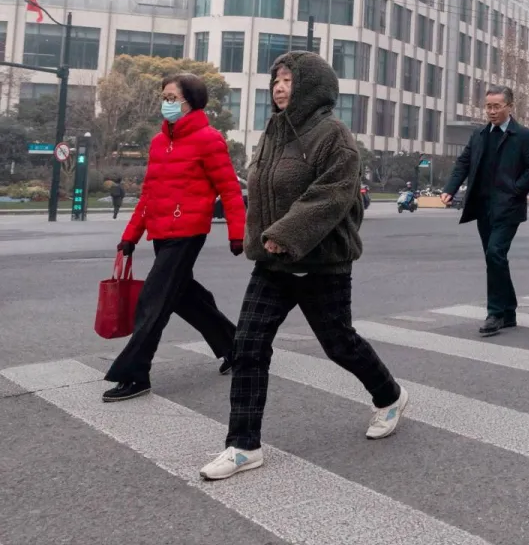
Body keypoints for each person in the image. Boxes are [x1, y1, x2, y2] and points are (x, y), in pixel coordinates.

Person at [199, 52, 407, 480]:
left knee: (340, 344)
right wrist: (255, 236)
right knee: (248, 347)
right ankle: (243, 445)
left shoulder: (335, 136)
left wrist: (286, 233)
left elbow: (330, 195)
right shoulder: (272, 132)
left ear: (311, 85)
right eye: (276, 78)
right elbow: (261, 189)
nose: (279, 86)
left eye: (289, 79)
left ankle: (389, 396)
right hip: (272, 265)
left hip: (323, 263)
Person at [102, 73, 244, 402]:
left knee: (153, 300)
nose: (165, 104)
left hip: (188, 232)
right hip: (162, 232)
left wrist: (237, 234)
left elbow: (229, 189)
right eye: (163, 98)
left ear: (189, 101)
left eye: (171, 98)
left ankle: (134, 373)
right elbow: (150, 194)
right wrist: (130, 236)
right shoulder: (158, 142)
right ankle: (236, 347)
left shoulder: (209, 139)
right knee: (183, 296)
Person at [441, 87, 529, 335]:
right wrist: (450, 189)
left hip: (508, 207)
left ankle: (495, 313)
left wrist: (515, 190)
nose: (492, 111)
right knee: (493, 256)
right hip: (483, 206)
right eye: (488, 106)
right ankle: (509, 311)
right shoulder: (479, 135)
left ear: (509, 106)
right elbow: (463, 163)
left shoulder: (523, 135)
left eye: (497, 106)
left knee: (496, 253)